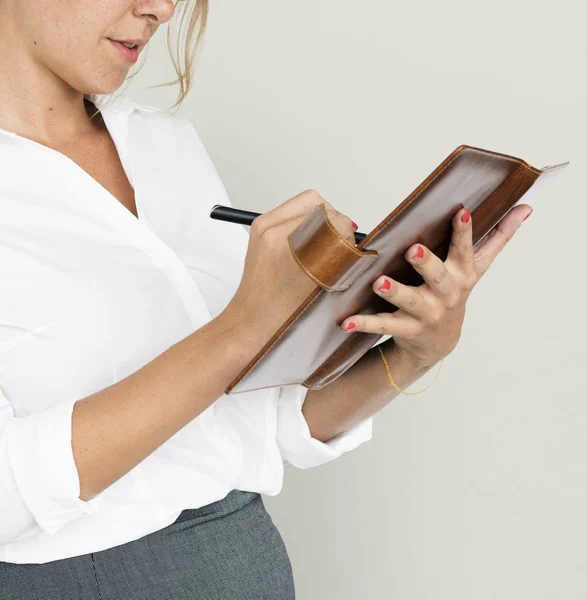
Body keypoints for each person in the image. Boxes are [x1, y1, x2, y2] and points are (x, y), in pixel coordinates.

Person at [0, 1, 534, 598]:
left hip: (241, 555)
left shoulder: (161, 143)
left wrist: (417, 351)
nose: (160, 8)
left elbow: (261, 424)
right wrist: (242, 329)